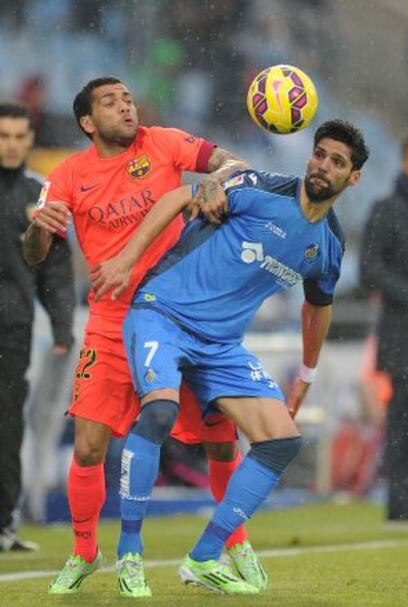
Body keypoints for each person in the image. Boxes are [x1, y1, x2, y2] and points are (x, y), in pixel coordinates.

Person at [92, 119, 369, 595]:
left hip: (219, 346)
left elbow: (318, 307)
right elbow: (181, 197)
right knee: (159, 411)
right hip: (163, 313)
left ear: (353, 178)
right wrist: (127, 259)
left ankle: (203, 557)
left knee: (282, 440)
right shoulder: (261, 187)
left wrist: (306, 373)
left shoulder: (328, 245)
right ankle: (129, 554)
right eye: (319, 154)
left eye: (336, 161)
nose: (322, 165)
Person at [23, 76, 264, 595]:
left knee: (221, 440)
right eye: (110, 102)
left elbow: (233, 160)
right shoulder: (67, 175)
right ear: (88, 122)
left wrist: (218, 177)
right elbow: (34, 255)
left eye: (128, 98)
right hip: (110, 325)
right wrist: (40, 228)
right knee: (88, 447)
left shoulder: (164, 142)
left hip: (181, 318)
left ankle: (237, 543)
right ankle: (85, 551)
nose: (126, 107)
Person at [0, 101, 75, 551]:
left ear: (31, 140)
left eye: (18, 136)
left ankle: (3, 524)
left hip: (13, 327)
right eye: (3, 136)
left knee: (8, 423)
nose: (11, 145)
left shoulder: (40, 197)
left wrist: (63, 327)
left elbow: (55, 269)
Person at [360, 136, 408, 521]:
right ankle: (402, 502)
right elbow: (369, 270)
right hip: (403, 336)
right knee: (404, 420)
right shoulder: (386, 209)